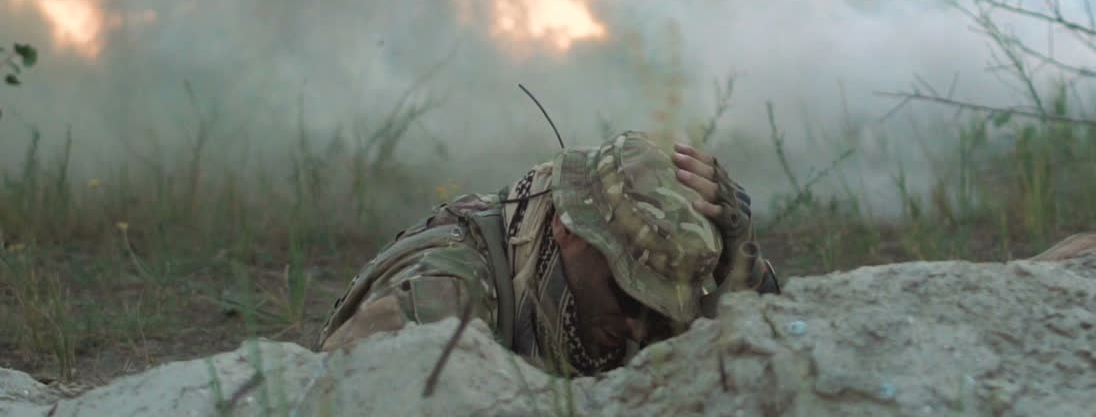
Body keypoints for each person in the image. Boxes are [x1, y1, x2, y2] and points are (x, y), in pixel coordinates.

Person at [316, 131, 781, 376]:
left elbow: (777, 361)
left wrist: (737, 265)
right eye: (630, 297)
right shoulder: (444, 293)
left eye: (661, 309)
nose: (640, 325)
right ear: (567, 230)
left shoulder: (624, 304)